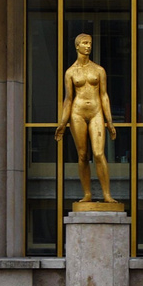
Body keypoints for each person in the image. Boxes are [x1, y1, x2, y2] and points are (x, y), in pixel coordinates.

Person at [54, 32, 119, 204]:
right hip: (77, 113)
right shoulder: (70, 72)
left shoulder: (99, 70)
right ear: (77, 46)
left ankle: (106, 194)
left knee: (98, 153)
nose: (88, 46)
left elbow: (104, 96)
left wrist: (110, 121)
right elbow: (68, 99)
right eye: (84, 43)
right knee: (83, 154)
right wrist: (62, 123)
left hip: (96, 111)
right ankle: (87, 194)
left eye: (89, 43)